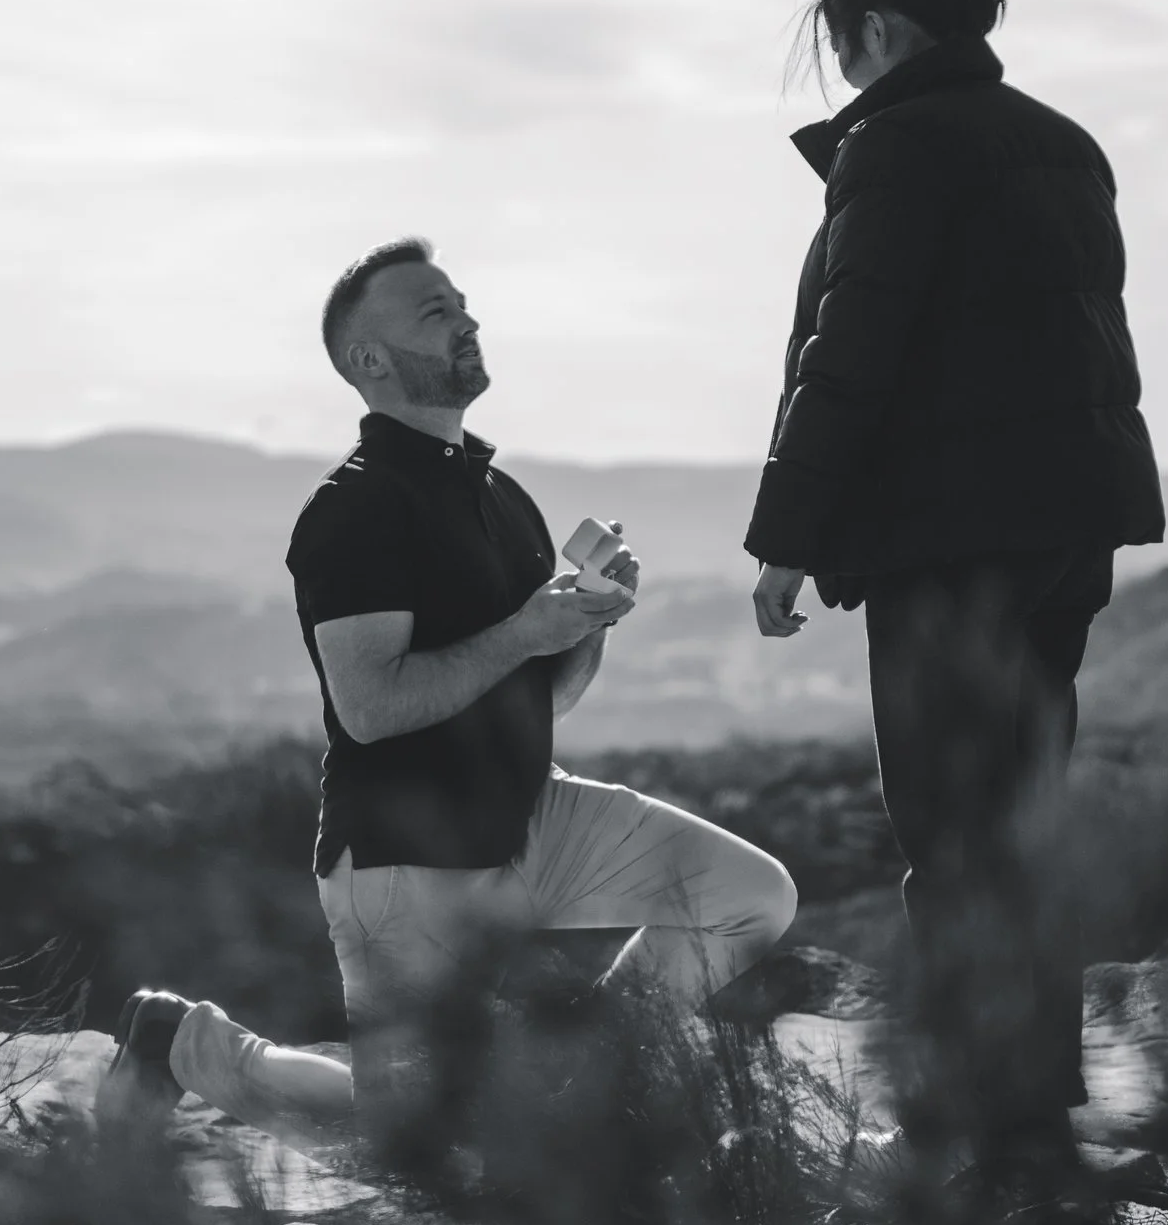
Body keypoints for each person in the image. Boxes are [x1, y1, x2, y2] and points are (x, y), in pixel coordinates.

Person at [99, 237, 798, 1155]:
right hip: (406, 861)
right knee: (427, 1153)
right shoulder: (353, 509)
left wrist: (590, 621)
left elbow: (548, 694)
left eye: (462, 303)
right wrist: (524, 631)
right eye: (436, 312)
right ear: (370, 360)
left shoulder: (502, 495)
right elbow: (370, 708)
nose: (467, 321)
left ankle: (579, 1081)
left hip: (533, 817)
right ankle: (180, 1042)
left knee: (749, 896)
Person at [743, 0, 1166, 1182]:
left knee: (947, 830)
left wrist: (786, 534)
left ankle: (972, 1123)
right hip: (1068, 528)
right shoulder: (1065, 144)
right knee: (1022, 816)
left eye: (839, 45)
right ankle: (1030, 1109)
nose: (843, 70)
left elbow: (848, 352)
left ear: (876, 29)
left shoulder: (898, 146)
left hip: (948, 536)